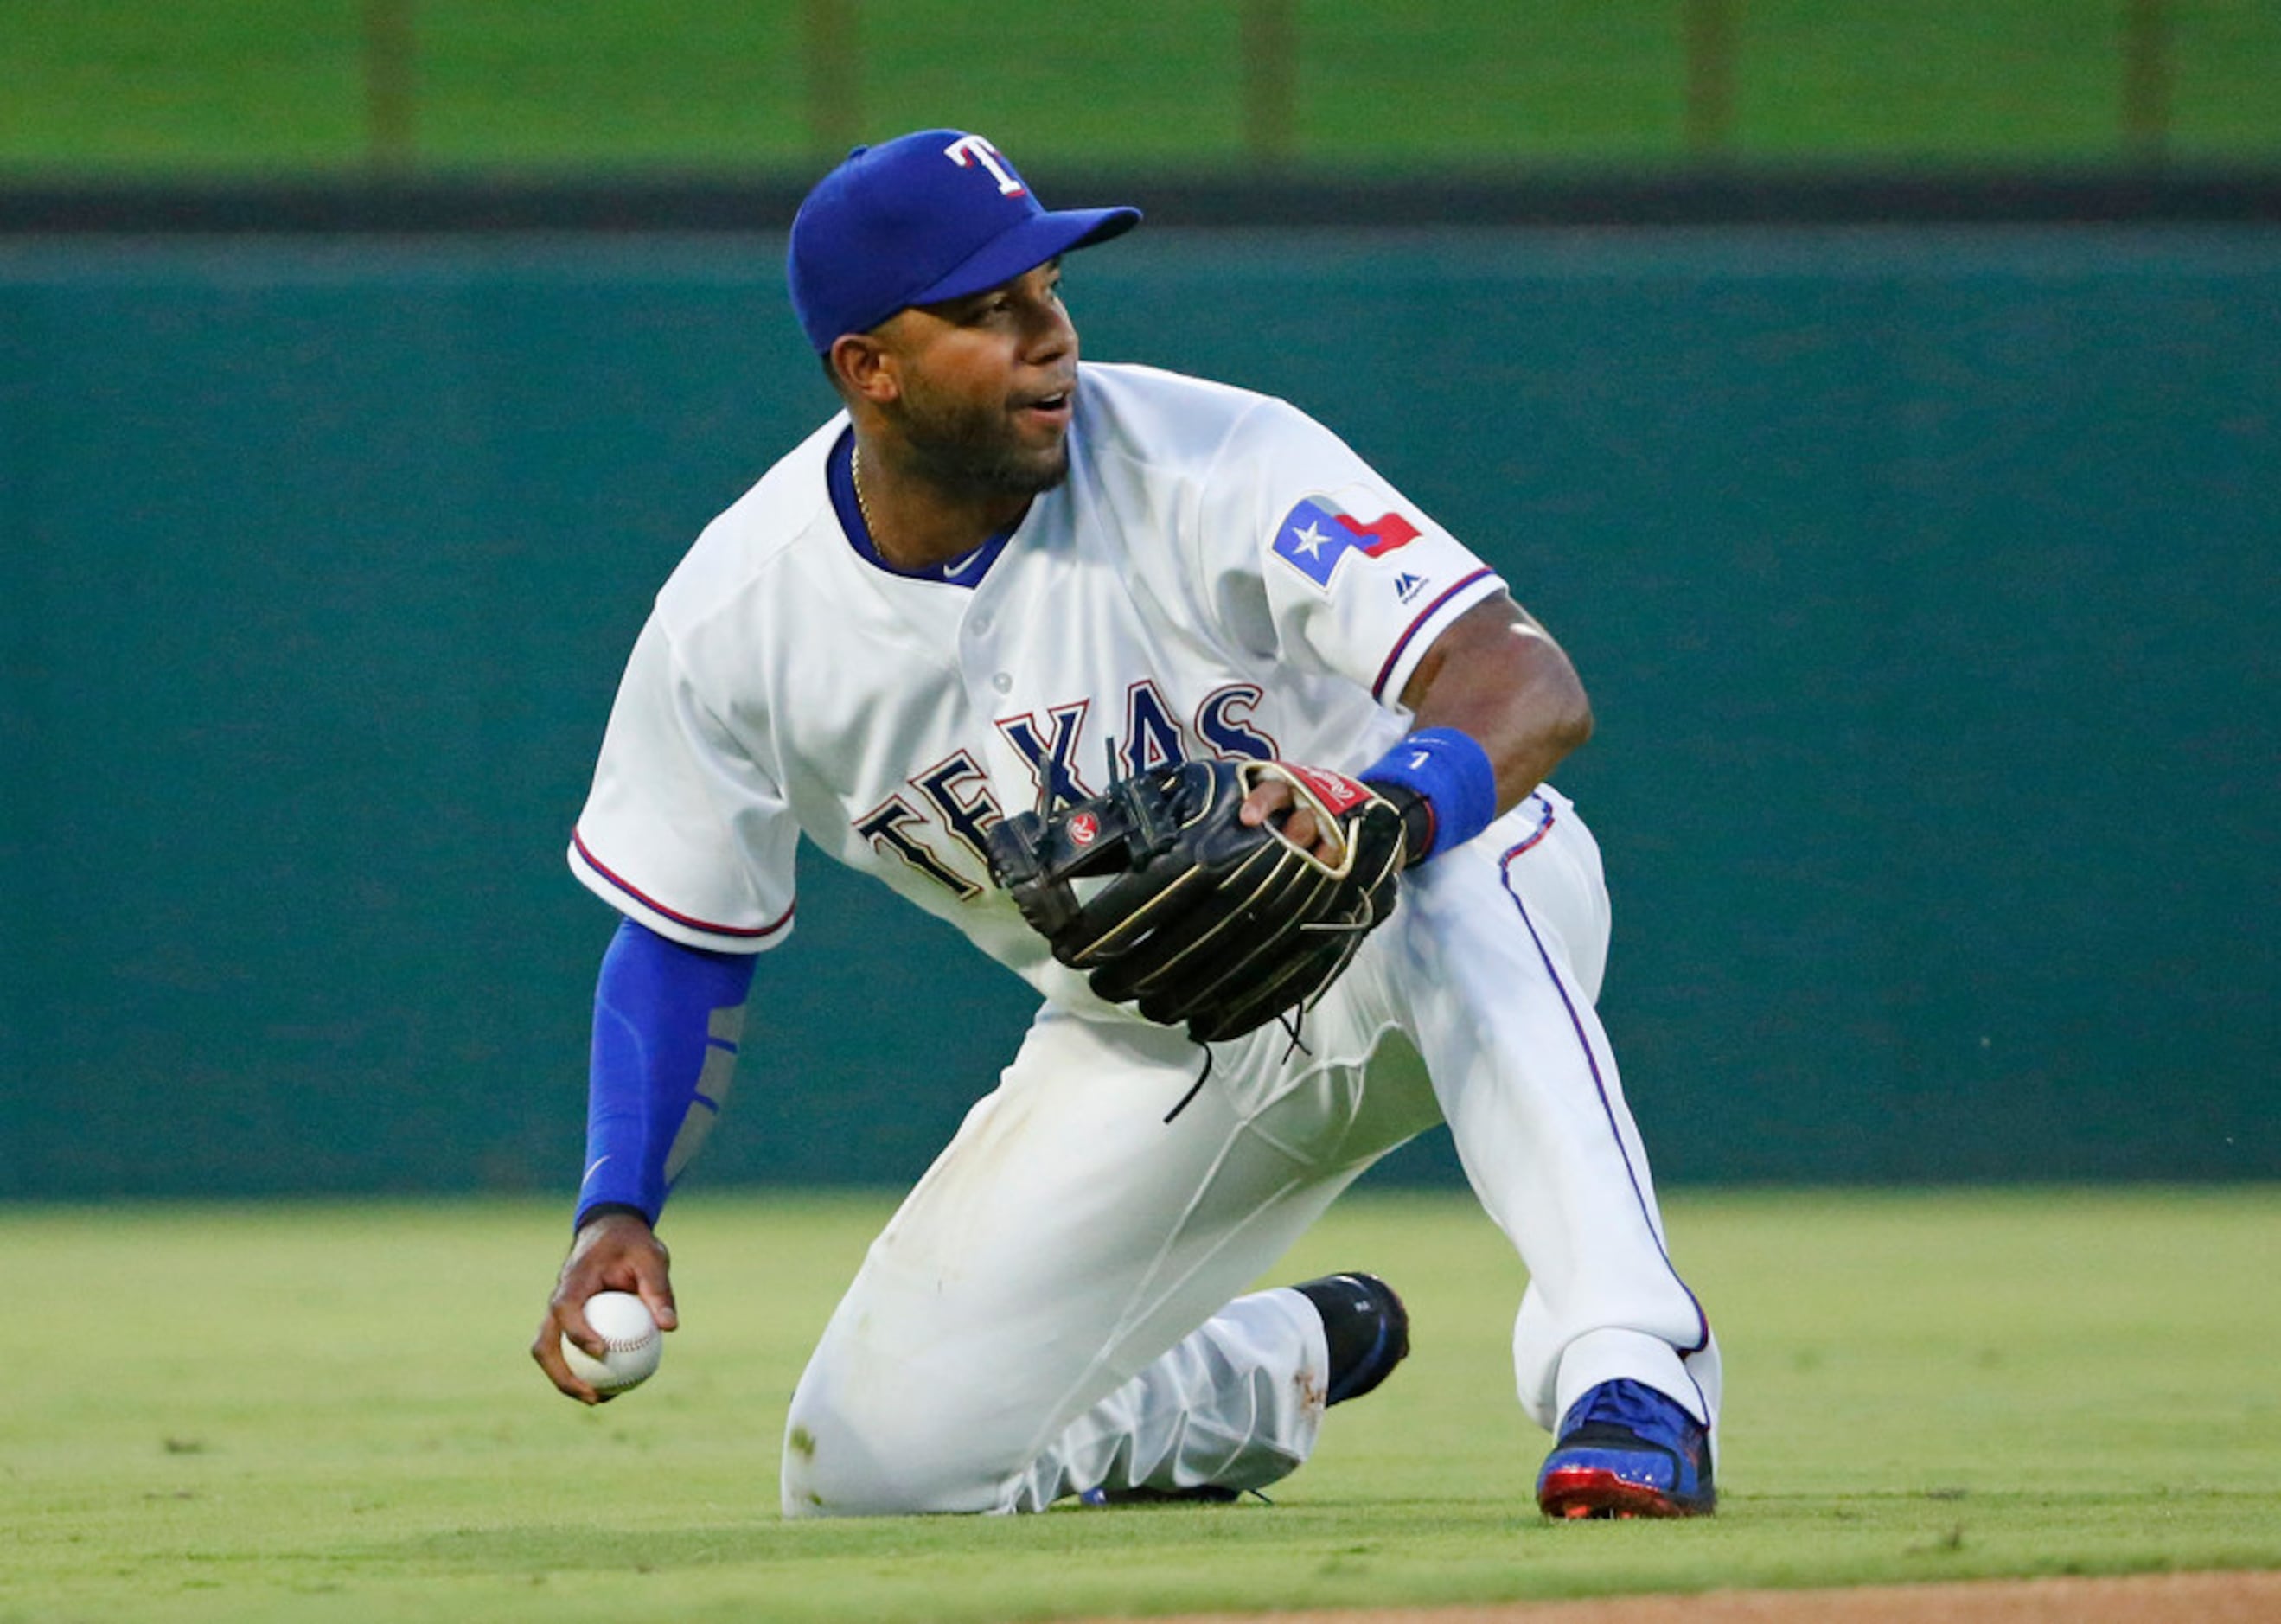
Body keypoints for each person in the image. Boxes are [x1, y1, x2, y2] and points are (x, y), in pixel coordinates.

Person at [532, 128, 1719, 1520]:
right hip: (1154, 1030)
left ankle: (1630, 1365)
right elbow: (683, 936)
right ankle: (1260, 1371)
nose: (1048, 337)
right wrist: (618, 1204)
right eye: (987, 311)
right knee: (871, 1479)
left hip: (1401, 916)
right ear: (869, 367)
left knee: (1465, 865)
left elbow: (1525, 684)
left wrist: (1384, 810)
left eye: (1048, 289)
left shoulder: (1212, 454)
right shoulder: (737, 618)